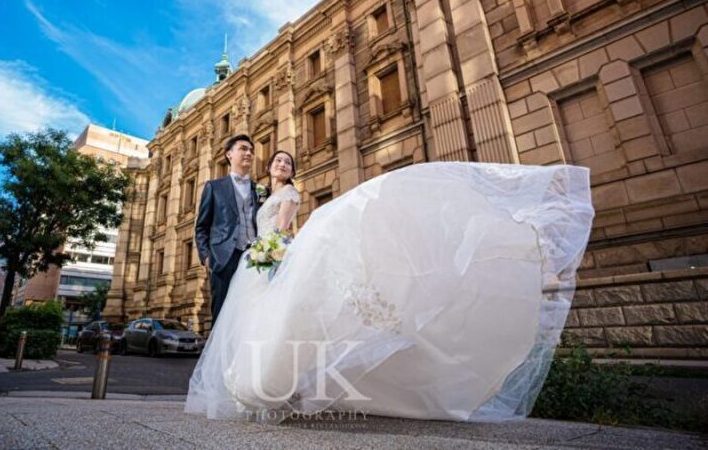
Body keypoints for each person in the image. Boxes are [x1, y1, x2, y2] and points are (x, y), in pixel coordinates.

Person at [186, 160, 594, 423]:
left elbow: (284, 230)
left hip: (271, 254)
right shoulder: (263, 193)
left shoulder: (289, 195)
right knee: (261, 320)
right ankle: (264, 382)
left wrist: (275, 252)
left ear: (291, 173)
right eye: (277, 160)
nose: (281, 165)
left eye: (287, 163)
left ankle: (272, 384)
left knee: (286, 315)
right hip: (257, 260)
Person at [195, 134, 261, 324]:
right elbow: (201, 227)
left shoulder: (260, 190)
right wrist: (207, 257)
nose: (249, 153)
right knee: (222, 316)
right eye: (243, 149)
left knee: (252, 315)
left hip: (255, 259)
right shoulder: (214, 187)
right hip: (223, 259)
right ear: (229, 154)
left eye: (251, 150)